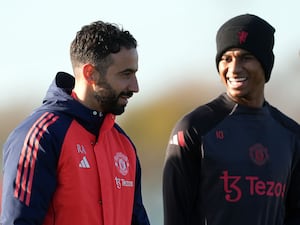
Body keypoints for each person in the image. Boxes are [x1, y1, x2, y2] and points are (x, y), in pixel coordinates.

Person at [1, 21, 150, 225]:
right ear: (90, 74)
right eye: (126, 74)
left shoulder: (123, 145)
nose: (135, 87)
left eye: (135, 73)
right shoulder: (41, 136)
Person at [163, 13, 300, 225]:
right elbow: (176, 218)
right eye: (227, 59)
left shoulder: (292, 135)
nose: (234, 69)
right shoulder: (193, 129)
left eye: (246, 57)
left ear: (265, 64)